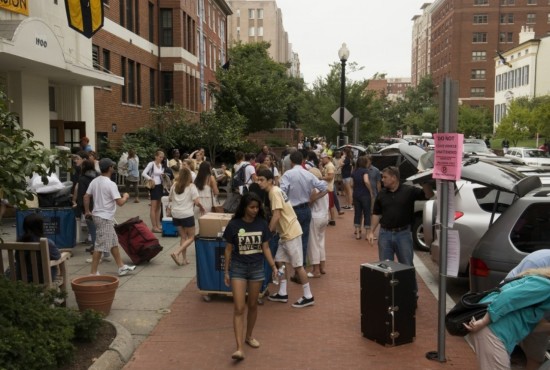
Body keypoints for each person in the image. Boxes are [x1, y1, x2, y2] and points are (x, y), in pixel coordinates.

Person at [222, 192, 276, 361]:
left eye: (257, 207)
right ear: (244, 207)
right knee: (239, 308)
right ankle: (238, 348)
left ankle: (249, 336)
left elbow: (265, 247)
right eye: (251, 207)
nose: (254, 210)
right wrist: (226, 271)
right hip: (238, 268)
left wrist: (273, 266)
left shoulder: (262, 223)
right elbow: (228, 249)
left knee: (252, 304)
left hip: (257, 268)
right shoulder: (234, 224)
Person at [366, 166, 433, 299]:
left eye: (385, 177)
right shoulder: (382, 193)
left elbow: (429, 195)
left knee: (407, 265)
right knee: (385, 266)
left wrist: (424, 181)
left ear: (394, 178)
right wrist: (371, 231)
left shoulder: (409, 191)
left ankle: (412, 295)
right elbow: (376, 214)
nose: (382, 180)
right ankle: (388, 296)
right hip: (385, 234)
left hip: (403, 234)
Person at [464, 268, 550, 370]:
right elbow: (508, 297)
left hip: (494, 331)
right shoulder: (546, 286)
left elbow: (529, 323)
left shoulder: (542, 283)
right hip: (493, 330)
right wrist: (484, 321)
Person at [257, 168, 317, 308]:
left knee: (298, 266)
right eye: (258, 179)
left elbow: (276, 215)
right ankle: (283, 292)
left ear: (270, 181)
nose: (259, 182)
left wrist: (268, 232)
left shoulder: (274, 193)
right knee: (279, 261)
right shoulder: (275, 191)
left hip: (290, 233)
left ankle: (308, 296)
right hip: (285, 234)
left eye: (262, 180)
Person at [279, 150, 327, 282]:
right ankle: (301, 271)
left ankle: (293, 271)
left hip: (292, 210)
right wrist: (313, 198)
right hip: (306, 209)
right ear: (303, 161)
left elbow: (282, 192)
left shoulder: (287, 175)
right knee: (304, 240)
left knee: (289, 240)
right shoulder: (308, 174)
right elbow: (324, 187)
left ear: (291, 162)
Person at [84, 158, 136, 276]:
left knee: (113, 242)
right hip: (104, 218)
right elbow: (120, 203)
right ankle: (93, 272)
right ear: (109, 168)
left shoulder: (95, 181)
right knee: (100, 245)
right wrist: (126, 196)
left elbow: (86, 197)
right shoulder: (111, 184)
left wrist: (87, 211)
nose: (113, 168)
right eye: (112, 166)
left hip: (100, 216)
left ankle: (121, 266)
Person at [504, 250, 550, 369]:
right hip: (514, 310)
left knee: (535, 356)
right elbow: (516, 300)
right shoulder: (538, 261)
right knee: (503, 357)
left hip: (542, 313)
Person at [168, 167, 205, 266]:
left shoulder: (174, 185)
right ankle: (177, 252)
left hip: (175, 214)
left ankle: (184, 259)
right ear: (189, 176)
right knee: (191, 237)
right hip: (186, 214)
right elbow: (197, 202)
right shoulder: (191, 186)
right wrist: (202, 207)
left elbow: (170, 199)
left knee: (183, 237)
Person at [16, 213, 61, 282]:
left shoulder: (19, 242)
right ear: (41, 226)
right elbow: (57, 256)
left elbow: (17, 257)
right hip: (43, 278)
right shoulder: (47, 242)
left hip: (22, 278)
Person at [73, 159, 100, 255]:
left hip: (88, 206)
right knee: (99, 229)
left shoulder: (82, 179)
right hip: (99, 205)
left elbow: (82, 195)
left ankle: (96, 249)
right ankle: (99, 248)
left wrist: (82, 209)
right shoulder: (98, 176)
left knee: (92, 229)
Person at [307, 168, 329, 277]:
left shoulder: (314, 188)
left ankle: (315, 270)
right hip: (324, 216)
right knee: (321, 242)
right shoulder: (324, 185)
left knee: (313, 243)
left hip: (315, 216)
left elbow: (310, 201)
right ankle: (322, 267)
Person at [142, 150, 166, 233]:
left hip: (160, 186)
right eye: (160, 157)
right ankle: (154, 226)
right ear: (156, 156)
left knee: (159, 207)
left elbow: (160, 175)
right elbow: (144, 173)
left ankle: (158, 225)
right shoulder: (151, 164)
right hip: (154, 186)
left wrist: (163, 176)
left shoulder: (160, 165)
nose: (161, 159)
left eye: (162, 157)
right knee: (153, 207)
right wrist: (150, 179)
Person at [351, 156, 374, 240]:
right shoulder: (365, 171)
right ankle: (367, 234)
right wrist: (370, 191)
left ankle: (357, 233)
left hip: (356, 194)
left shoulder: (354, 171)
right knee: (367, 213)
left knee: (357, 213)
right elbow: (366, 181)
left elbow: (351, 184)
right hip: (365, 195)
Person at [194, 161, 219, 233]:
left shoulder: (196, 179)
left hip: (198, 203)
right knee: (208, 223)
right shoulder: (211, 178)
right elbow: (216, 192)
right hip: (208, 202)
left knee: (198, 225)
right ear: (209, 168)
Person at [320, 153, 337, 225]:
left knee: (329, 205)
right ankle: (332, 220)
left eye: (323, 158)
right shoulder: (327, 165)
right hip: (327, 187)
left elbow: (330, 177)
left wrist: (321, 178)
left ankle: (331, 219)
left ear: (327, 158)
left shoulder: (330, 166)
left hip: (328, 188)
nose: (322, 160)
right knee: (330, 205)